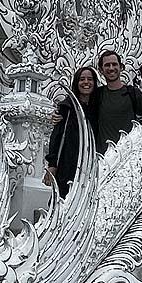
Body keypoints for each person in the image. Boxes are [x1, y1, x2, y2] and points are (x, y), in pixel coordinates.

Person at [43, 66, 99, 198]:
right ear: (76, 83)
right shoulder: (67, 106)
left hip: (91, 163)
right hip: (67, 163)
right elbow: (56, 137)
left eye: (90, 79)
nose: (86, 82)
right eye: (82, 79)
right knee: (63, 198)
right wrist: (52, 165)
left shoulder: (98, 106)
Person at [93, 50, 142, 155]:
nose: (111, 68)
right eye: (107, 65)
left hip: (128, 156)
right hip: (104, 158)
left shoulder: (133, 93)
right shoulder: (96, 95)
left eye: (114, 64)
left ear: (121, 67)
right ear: (101, 70)